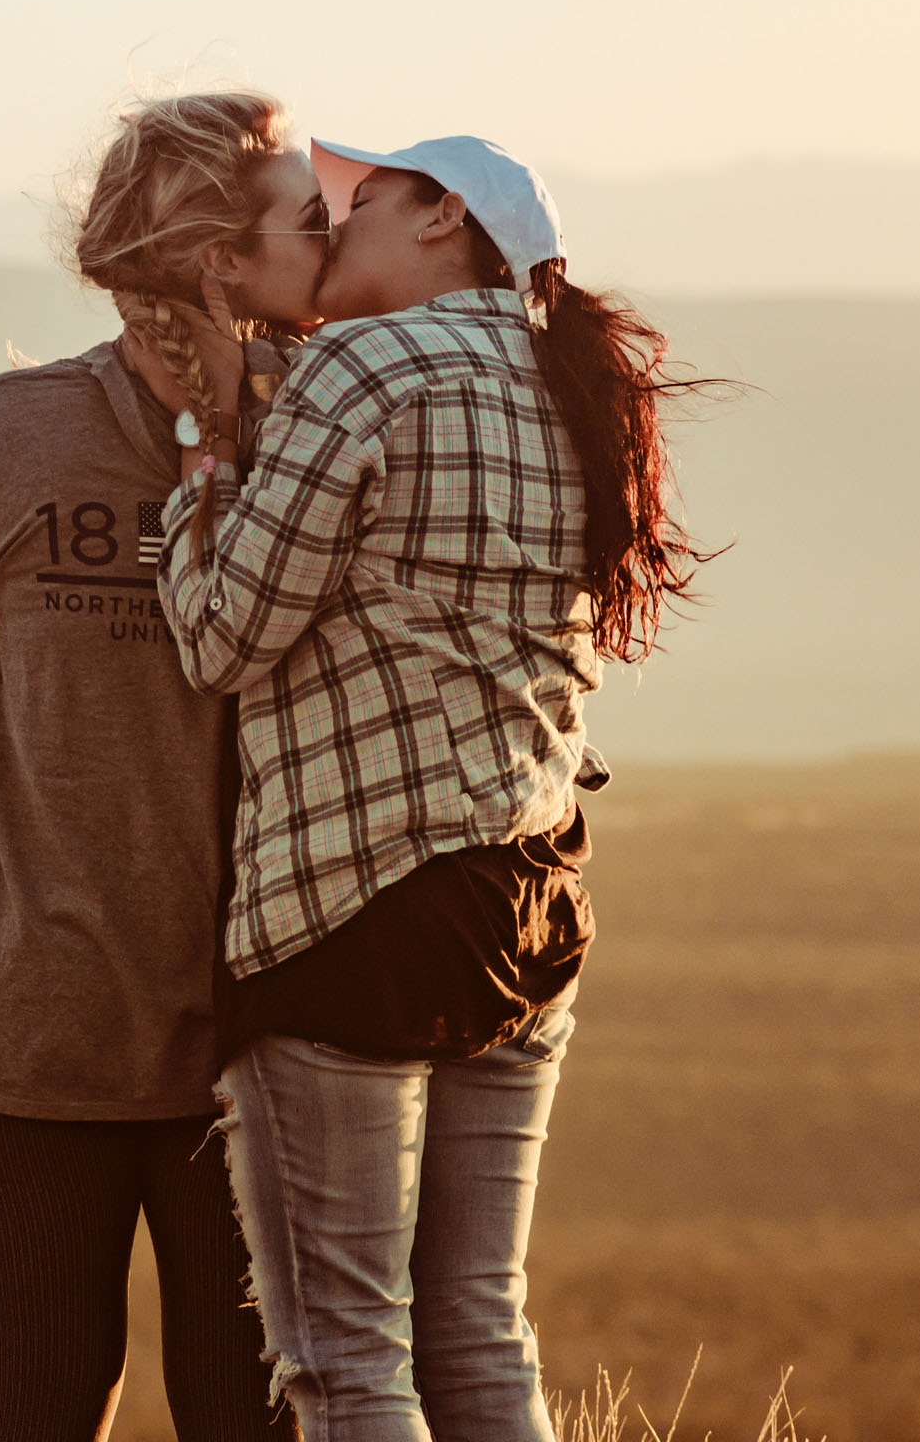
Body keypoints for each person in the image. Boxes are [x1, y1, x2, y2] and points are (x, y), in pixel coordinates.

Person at [148, 133, 708, 1442]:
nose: (334, 228)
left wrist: (195, 490)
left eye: (364, 202)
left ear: (447, 217)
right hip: (533, 900)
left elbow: (228, 637)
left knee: (346, 1356)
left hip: (357, 904)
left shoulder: (365, 366)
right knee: (476, 1324)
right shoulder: (571, 386)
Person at [0, 91, 326, 1442]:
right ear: (217, 256)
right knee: (38, 1412)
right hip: (34, 1042)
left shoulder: (330, 440)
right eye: (303, 220)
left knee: (247, 1422)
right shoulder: (12, 431)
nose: (329, 245)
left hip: (262, 1051)